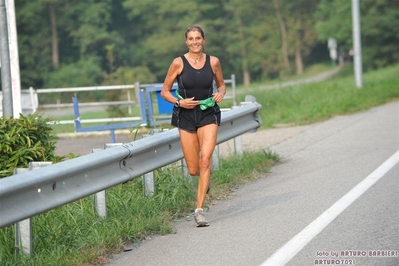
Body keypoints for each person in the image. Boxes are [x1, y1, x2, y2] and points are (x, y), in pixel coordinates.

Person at [161, 24, 226, 227]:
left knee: (205, 160)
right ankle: (204, 181)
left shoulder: (213, 61)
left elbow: (221, 84)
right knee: (193, 169)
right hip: (185, 115)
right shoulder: (178, 63)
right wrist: (179, 102)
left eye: (198, 38)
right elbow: (165, 91)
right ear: (186, 41)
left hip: (208, 112)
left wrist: (220, 94)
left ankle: (199, 211)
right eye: (191, 39)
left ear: (203, 40)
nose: (195, 42)